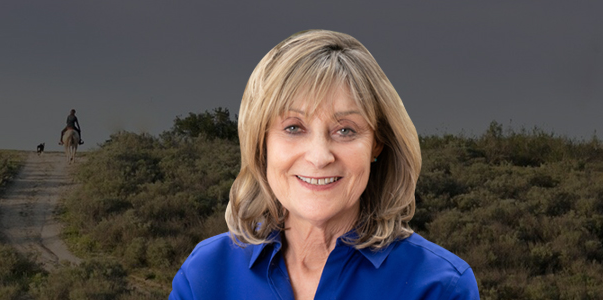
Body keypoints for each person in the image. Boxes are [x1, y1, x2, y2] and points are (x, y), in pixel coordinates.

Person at [169, 30, 478, 299]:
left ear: (377, 143)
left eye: (345, 130)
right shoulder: (205, 275)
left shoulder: (440, 287)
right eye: (293, 128)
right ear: (261, 143)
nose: (319, 156)